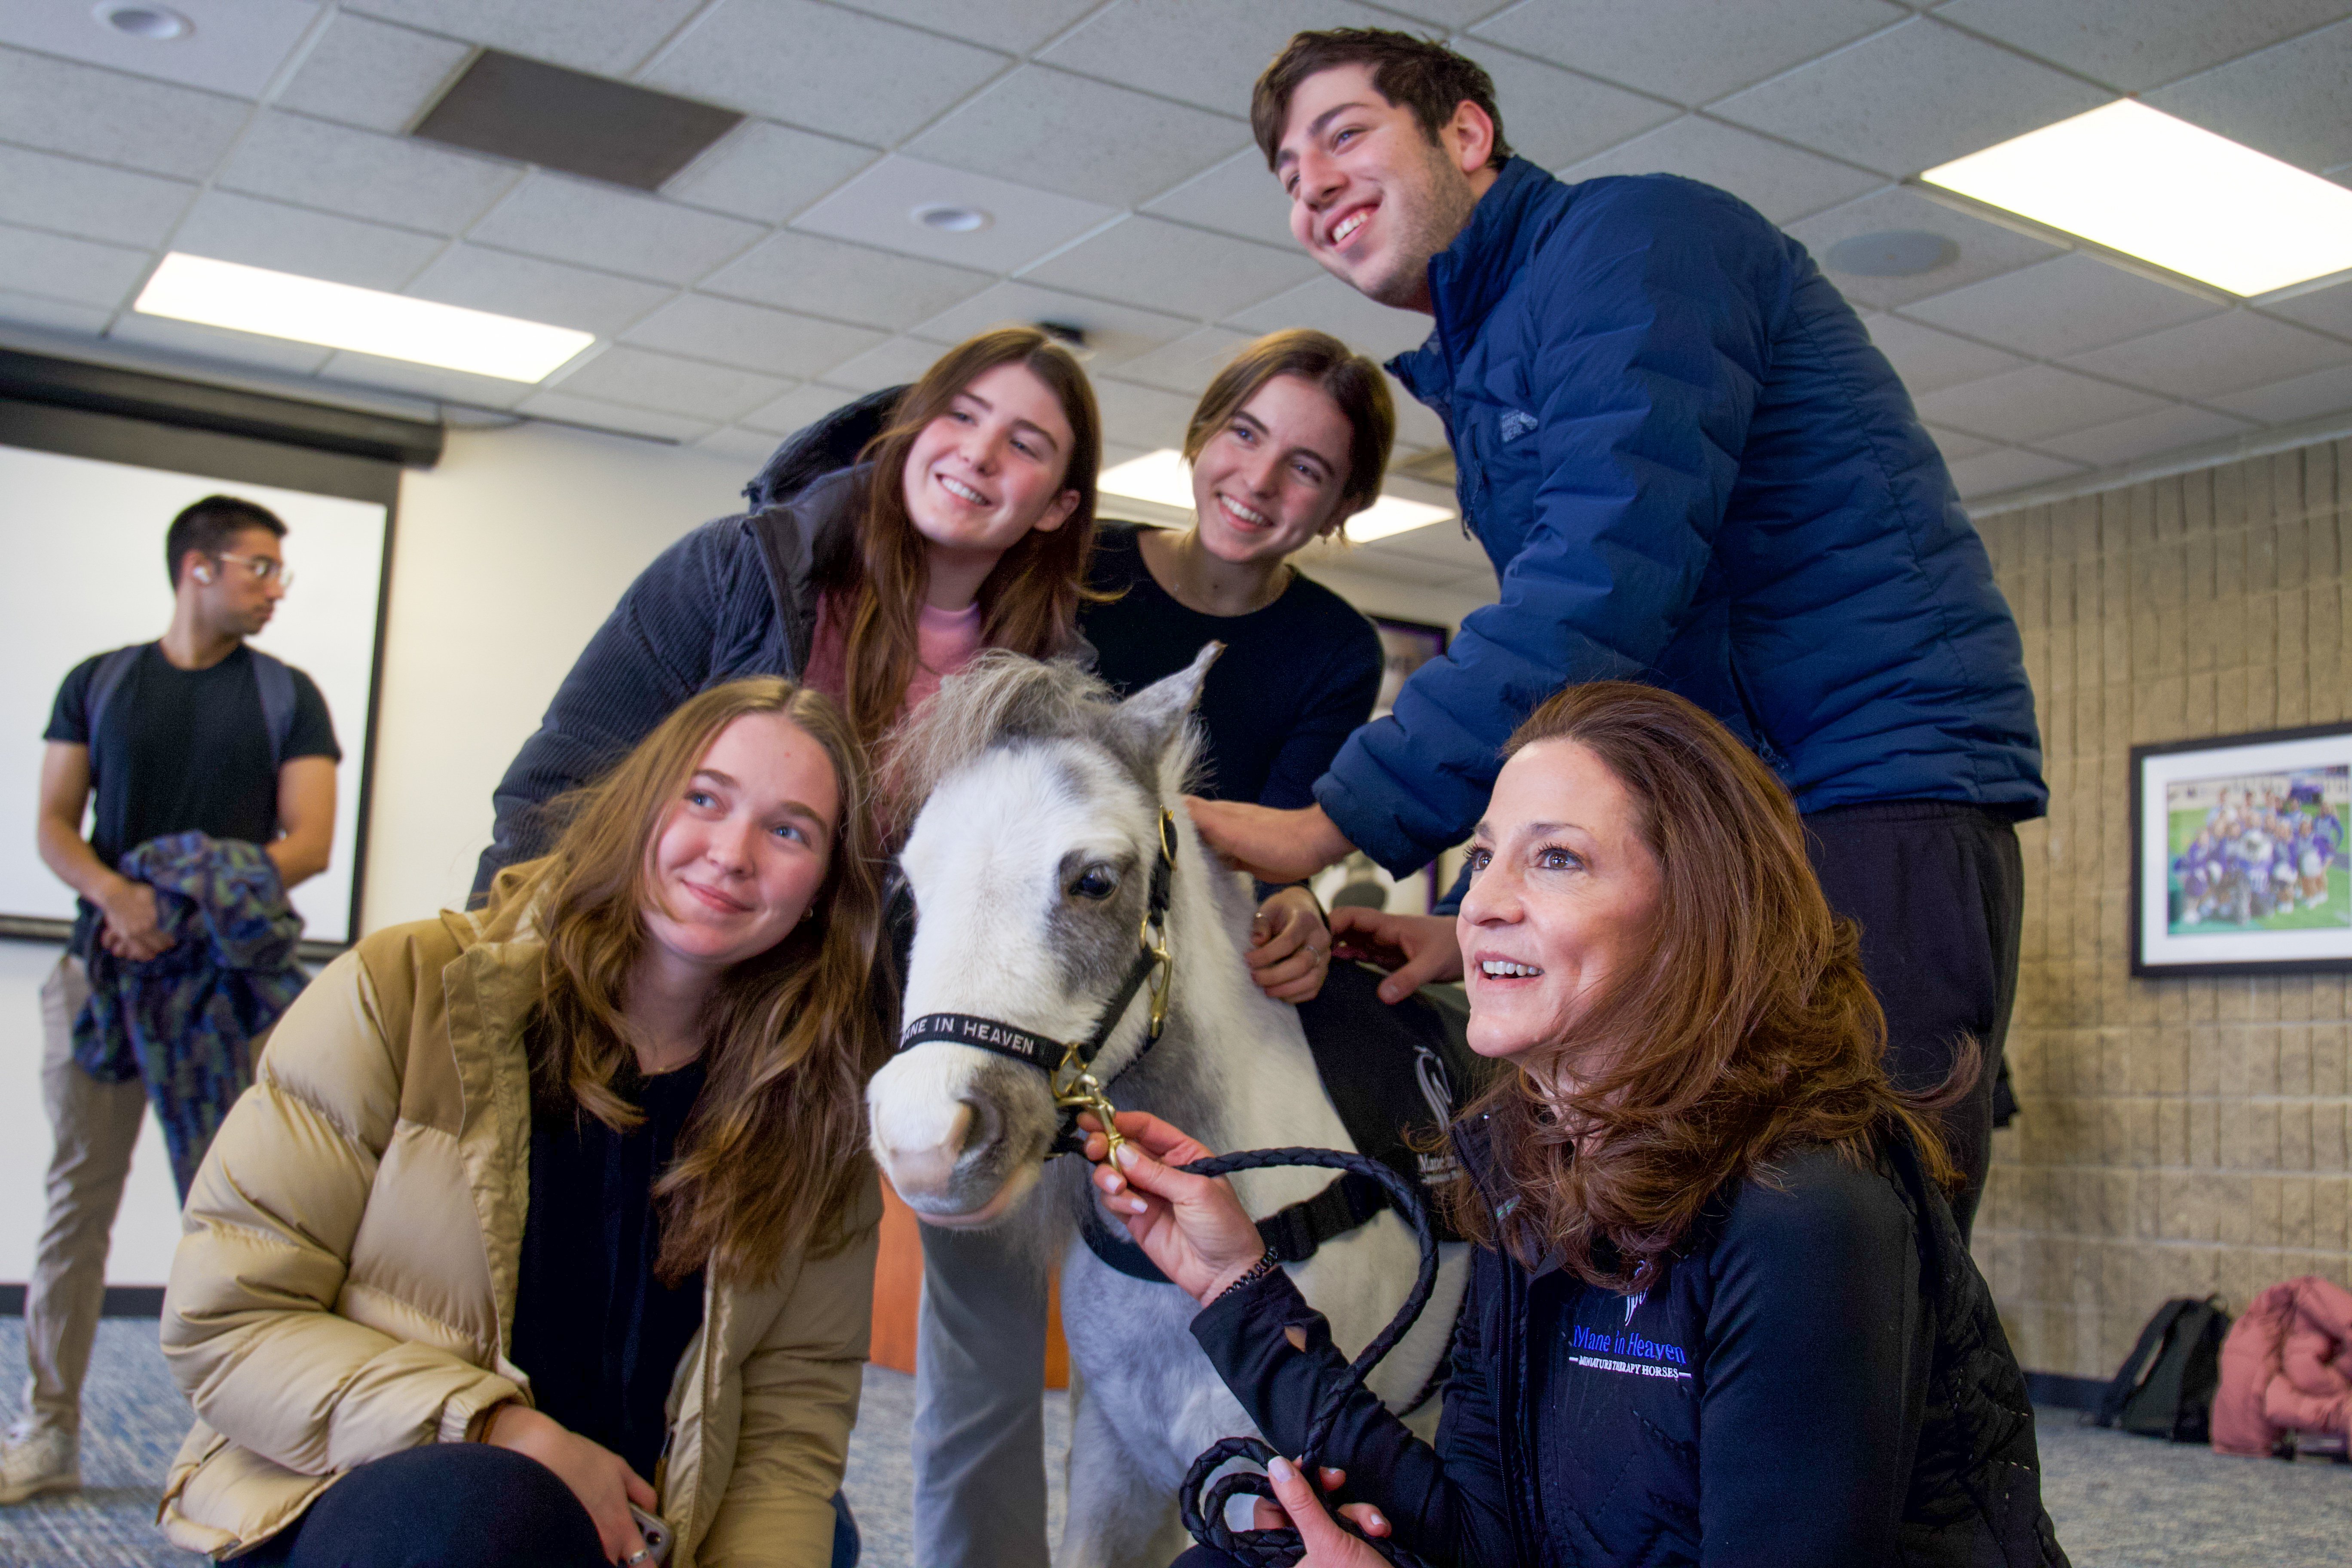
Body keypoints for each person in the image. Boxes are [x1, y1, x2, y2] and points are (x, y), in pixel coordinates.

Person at [1185, 28, 2046, 1238]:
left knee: (1865, 1248)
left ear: (1467, 134)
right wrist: (1491, 916)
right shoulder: (1493, 367)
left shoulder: (1634, 243)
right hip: (1745, 822)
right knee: (1709, 1246)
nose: (1312, 183)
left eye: (1343, 135)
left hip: (1869, 793)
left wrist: (1335, 819)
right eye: (1287, 172)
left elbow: (1602, 587)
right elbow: (1630, 689)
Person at [1086, 681, 2069, 1568]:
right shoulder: (1533, 1172)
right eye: (1482, 859)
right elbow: (1482, 1535)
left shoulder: (1807, 1215)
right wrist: (1233, 1281)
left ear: (1698, 913)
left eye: (1556, 859)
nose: (1480, 907)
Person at [156, 678, 886, 1568]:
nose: (732, 853)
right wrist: (504, 1432)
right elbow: (225, 1322)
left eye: (788, 831)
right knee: (489, 1507)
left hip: (638, 1534)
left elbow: (784, 1441)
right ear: (639, 806)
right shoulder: (404, 987)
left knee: (825, 1542)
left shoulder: (821, 1106)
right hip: (385, 1497)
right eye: (704, 798)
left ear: (824, 887)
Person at [913, 328, 1393, 1568]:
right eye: (1244, 435)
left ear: (1340, 507)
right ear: (1197, 437)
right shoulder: (1082, 579)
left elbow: (1295, 834)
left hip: (1192, 986)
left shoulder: (1336, 648)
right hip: (1027, 978)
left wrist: (1299, 890)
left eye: (1307, 470)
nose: (1259, 480)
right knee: (979, 1370)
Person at [473, 326, 1098, 892]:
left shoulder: (1046, 692)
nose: (979, 453)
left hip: (850, 1012)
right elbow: (561, 787)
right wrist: (503, 974)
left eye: (1023, 446)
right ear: (913, 429)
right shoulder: (734, 571)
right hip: (655, 978)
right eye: (961, 415)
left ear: (1056, 508)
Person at [2, 495, 338, 1508]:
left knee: (233, 1221)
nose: (276, 587)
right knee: (76, 1211)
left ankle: (231, 1441)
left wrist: (183, 902)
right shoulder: (98, 684)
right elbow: (57, 825)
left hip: (228, 1001)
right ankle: (47, 1431)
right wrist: (119, 897)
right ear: (197, 568)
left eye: (280, 571)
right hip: (102, 981)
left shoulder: (290, 698)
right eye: (260, 568)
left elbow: (309, 844)